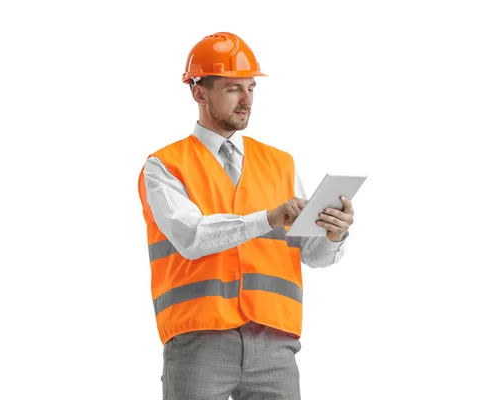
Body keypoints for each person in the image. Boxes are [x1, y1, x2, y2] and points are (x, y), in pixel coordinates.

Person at [137, 32, 356, 400]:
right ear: (199, 93)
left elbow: (311, 255)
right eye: (233, 88)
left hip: (275, 341)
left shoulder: (280, 163)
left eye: (251, 88)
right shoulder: (165, 166)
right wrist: (268, 218)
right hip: (199, 339)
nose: (247, 100)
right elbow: (192, 238)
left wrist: (334, 235)